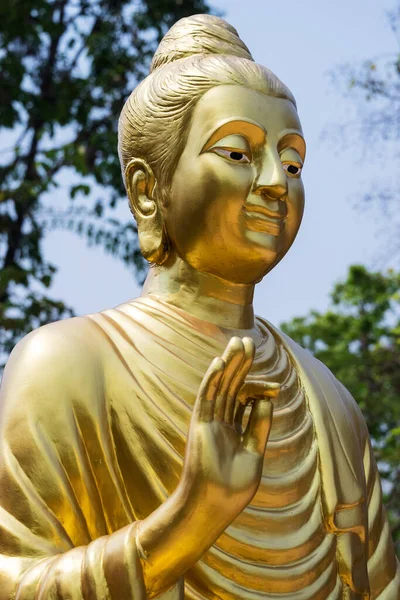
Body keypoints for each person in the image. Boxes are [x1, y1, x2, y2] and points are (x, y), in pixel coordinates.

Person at [0, 14, 398, 600]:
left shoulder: (330, 403)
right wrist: (188, 520)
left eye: (292, 164)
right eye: (238, 153)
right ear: (146, 189)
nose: (275, 184)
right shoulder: (68, 365)